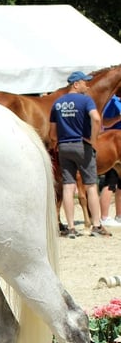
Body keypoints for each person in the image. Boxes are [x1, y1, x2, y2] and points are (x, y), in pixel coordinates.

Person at [50, 71, 111, 238]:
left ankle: (70, 228)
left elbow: (52, 135)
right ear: (76, 84)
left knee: (68, 187)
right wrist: (93, 139)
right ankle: (97, 226)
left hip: (63, 146)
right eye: (85, 82)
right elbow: (97, 119)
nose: (88, 85)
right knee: (91, 185)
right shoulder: (86, 101)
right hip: (82, 145)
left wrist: (60, 142)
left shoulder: (57, 103)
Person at [99, 94, 121, 227]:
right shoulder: (112, 101)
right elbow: (105, 122)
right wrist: (119, 117)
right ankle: (104, 216)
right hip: (113, 144)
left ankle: (119, 216)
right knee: (111, 181)